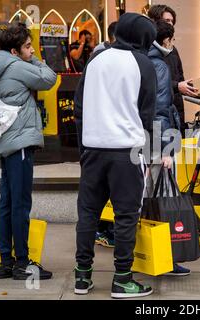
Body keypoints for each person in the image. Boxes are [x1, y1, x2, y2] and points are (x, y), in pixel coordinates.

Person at [73, 13, 157, 299]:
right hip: (127, 151)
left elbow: (79, 108)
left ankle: (82, 277)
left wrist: (84, 148)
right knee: (125, 216)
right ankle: (122, 279)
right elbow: (148, 114)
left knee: (88, 215)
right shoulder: (142, 63)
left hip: (94, 148)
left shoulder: (96, 59)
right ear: (143, 38)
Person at [0, 24, 57, 279]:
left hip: (6, 142)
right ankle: (22, 263)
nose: (31, 49)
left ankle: (6, 260)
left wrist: (27, 55)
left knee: (7, 201)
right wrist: (34, 58)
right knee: (21, 204)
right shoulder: (16, 66)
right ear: (14, 51)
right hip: (20, 143)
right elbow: (49, 78)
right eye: (27, 46)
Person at [148, 20, 190, 276]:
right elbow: (160, 109)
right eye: (172, 41)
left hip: (142, 139)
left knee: (148, 200)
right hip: (158, 139)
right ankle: (166, 260)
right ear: (165, 41)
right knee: (163, 199)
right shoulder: (159, 65)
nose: (173, 46)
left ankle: (146, 255)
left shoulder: (140, 60)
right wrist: (166, 149)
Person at [148, 4, 199, 134]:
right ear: (154, 21)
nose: (170, 24)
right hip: (157, 116)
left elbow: (179, 77)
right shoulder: (146, 48)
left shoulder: (173, 49)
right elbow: (151, 81)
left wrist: (188, 86)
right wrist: (177, 86)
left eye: (172, 21)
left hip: (176, 110)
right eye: (167, 21)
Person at [93, 21, 118, 249]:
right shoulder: (102, 57)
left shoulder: (101, 57)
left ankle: (103, 229)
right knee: (106, 191)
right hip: (106, 137)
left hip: (103, 136)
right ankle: (103, 230)